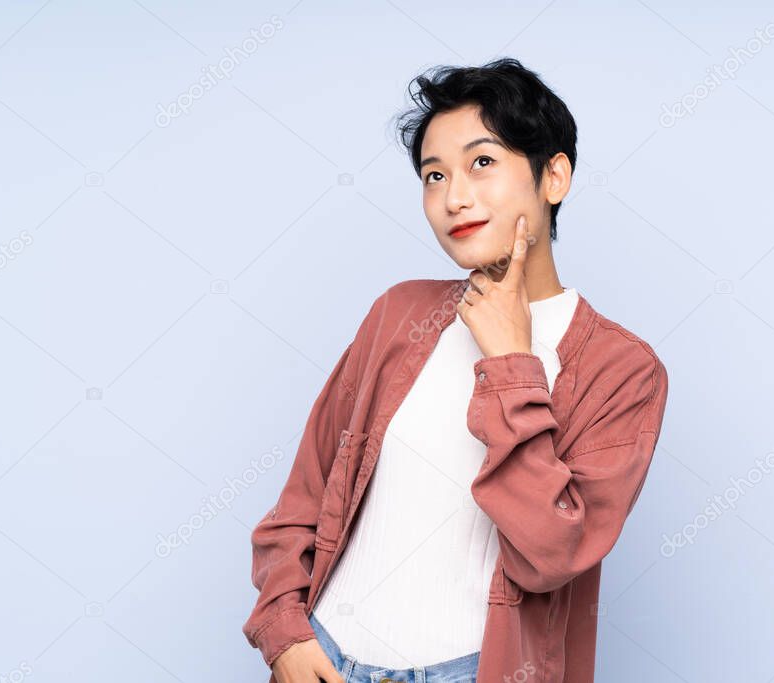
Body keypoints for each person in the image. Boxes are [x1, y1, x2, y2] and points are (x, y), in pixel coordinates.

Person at [244, 57, 670, 683]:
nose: (454, 197)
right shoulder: (399, 315)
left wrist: (510, 363)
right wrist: (284, 636)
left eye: (482, 162)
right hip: (325, 659)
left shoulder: (623, 371)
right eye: (433, 174)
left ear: (554, 176)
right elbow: (302, 499)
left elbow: (550, 555)